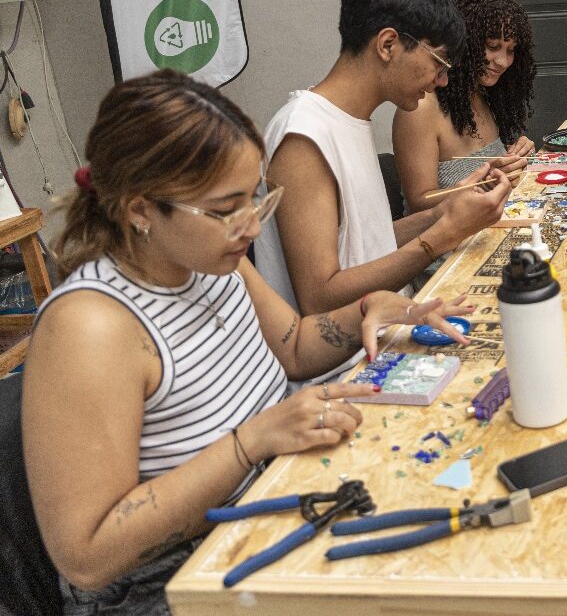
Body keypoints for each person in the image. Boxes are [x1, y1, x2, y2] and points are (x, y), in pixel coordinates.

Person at [23, 70, 473, 614]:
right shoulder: (89, 328)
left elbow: (295, 346)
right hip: (165, 583)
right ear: (139, 209)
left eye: (254, 201)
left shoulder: (210, 261)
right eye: (224, 209)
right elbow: (87, 557)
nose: (252, 227)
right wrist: (250, 442)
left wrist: (365, 312)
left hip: (265, 504)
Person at [254, 0, 512, 320]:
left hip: (391, 323)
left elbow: (364, 246)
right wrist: (441, 236)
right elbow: (320, 298)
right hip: (355, 351)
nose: (441, 80)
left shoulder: (350, 122)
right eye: (438, 63)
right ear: (388, 44)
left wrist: (440, 213)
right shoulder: (304, 136)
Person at [394, 0, 535, 213]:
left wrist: (517, 155)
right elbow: (418, 203)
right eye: (493, 46)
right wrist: (485, 182)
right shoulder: (420, 108)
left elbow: (484, 163)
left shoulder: (485, 93)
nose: (503, 61)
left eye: (511, 50)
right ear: (465, 42)